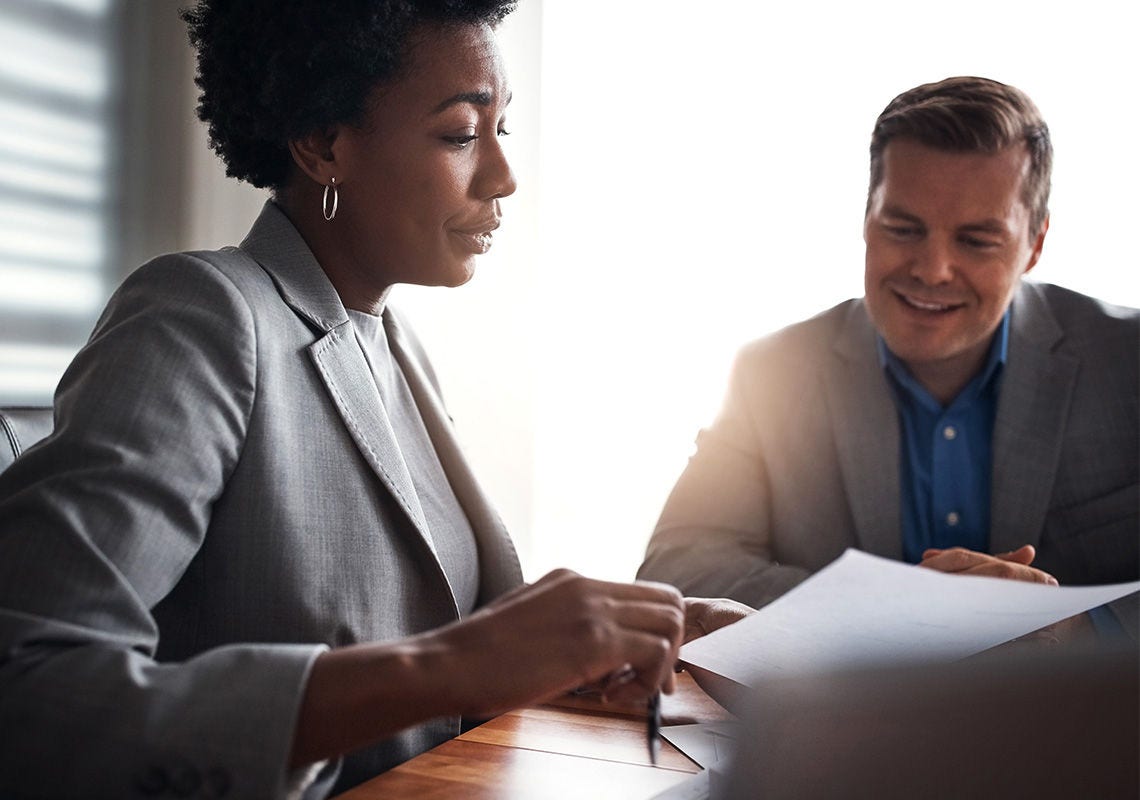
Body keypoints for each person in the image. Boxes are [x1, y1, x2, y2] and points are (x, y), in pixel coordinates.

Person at [0, 2, 747, 797]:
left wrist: (616, 635)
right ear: (324, 144)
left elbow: (433, 657)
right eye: (462, 134)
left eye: (502, 130)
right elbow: (28, 686)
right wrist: (454, 665)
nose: (503, 175)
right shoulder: (202, 315)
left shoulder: (388, 339)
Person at [638, 76, 1138, 639]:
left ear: (1035, 244)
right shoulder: (771, 373)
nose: (932, 269)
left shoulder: (1129, 364)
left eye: (976, 240)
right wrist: (890, 609)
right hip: (847, 723)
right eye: (903, 228)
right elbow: (676, 568)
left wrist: (1079, 631)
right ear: (867, 219)